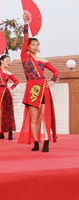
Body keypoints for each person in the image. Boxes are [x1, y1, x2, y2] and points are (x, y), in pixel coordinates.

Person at [18, 15, 58, 152]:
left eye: (37, 45)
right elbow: (25, 40)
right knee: (34, 118)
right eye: (33, 45)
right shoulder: (25, 58)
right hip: (31, 89)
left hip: (43, 88)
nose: (35, 47)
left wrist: (52, 81)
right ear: (28, 47)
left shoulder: (43, 60)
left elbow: (56, 72)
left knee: (44, 117)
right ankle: (35, 142)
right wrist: (25, 24)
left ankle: (46, 141)